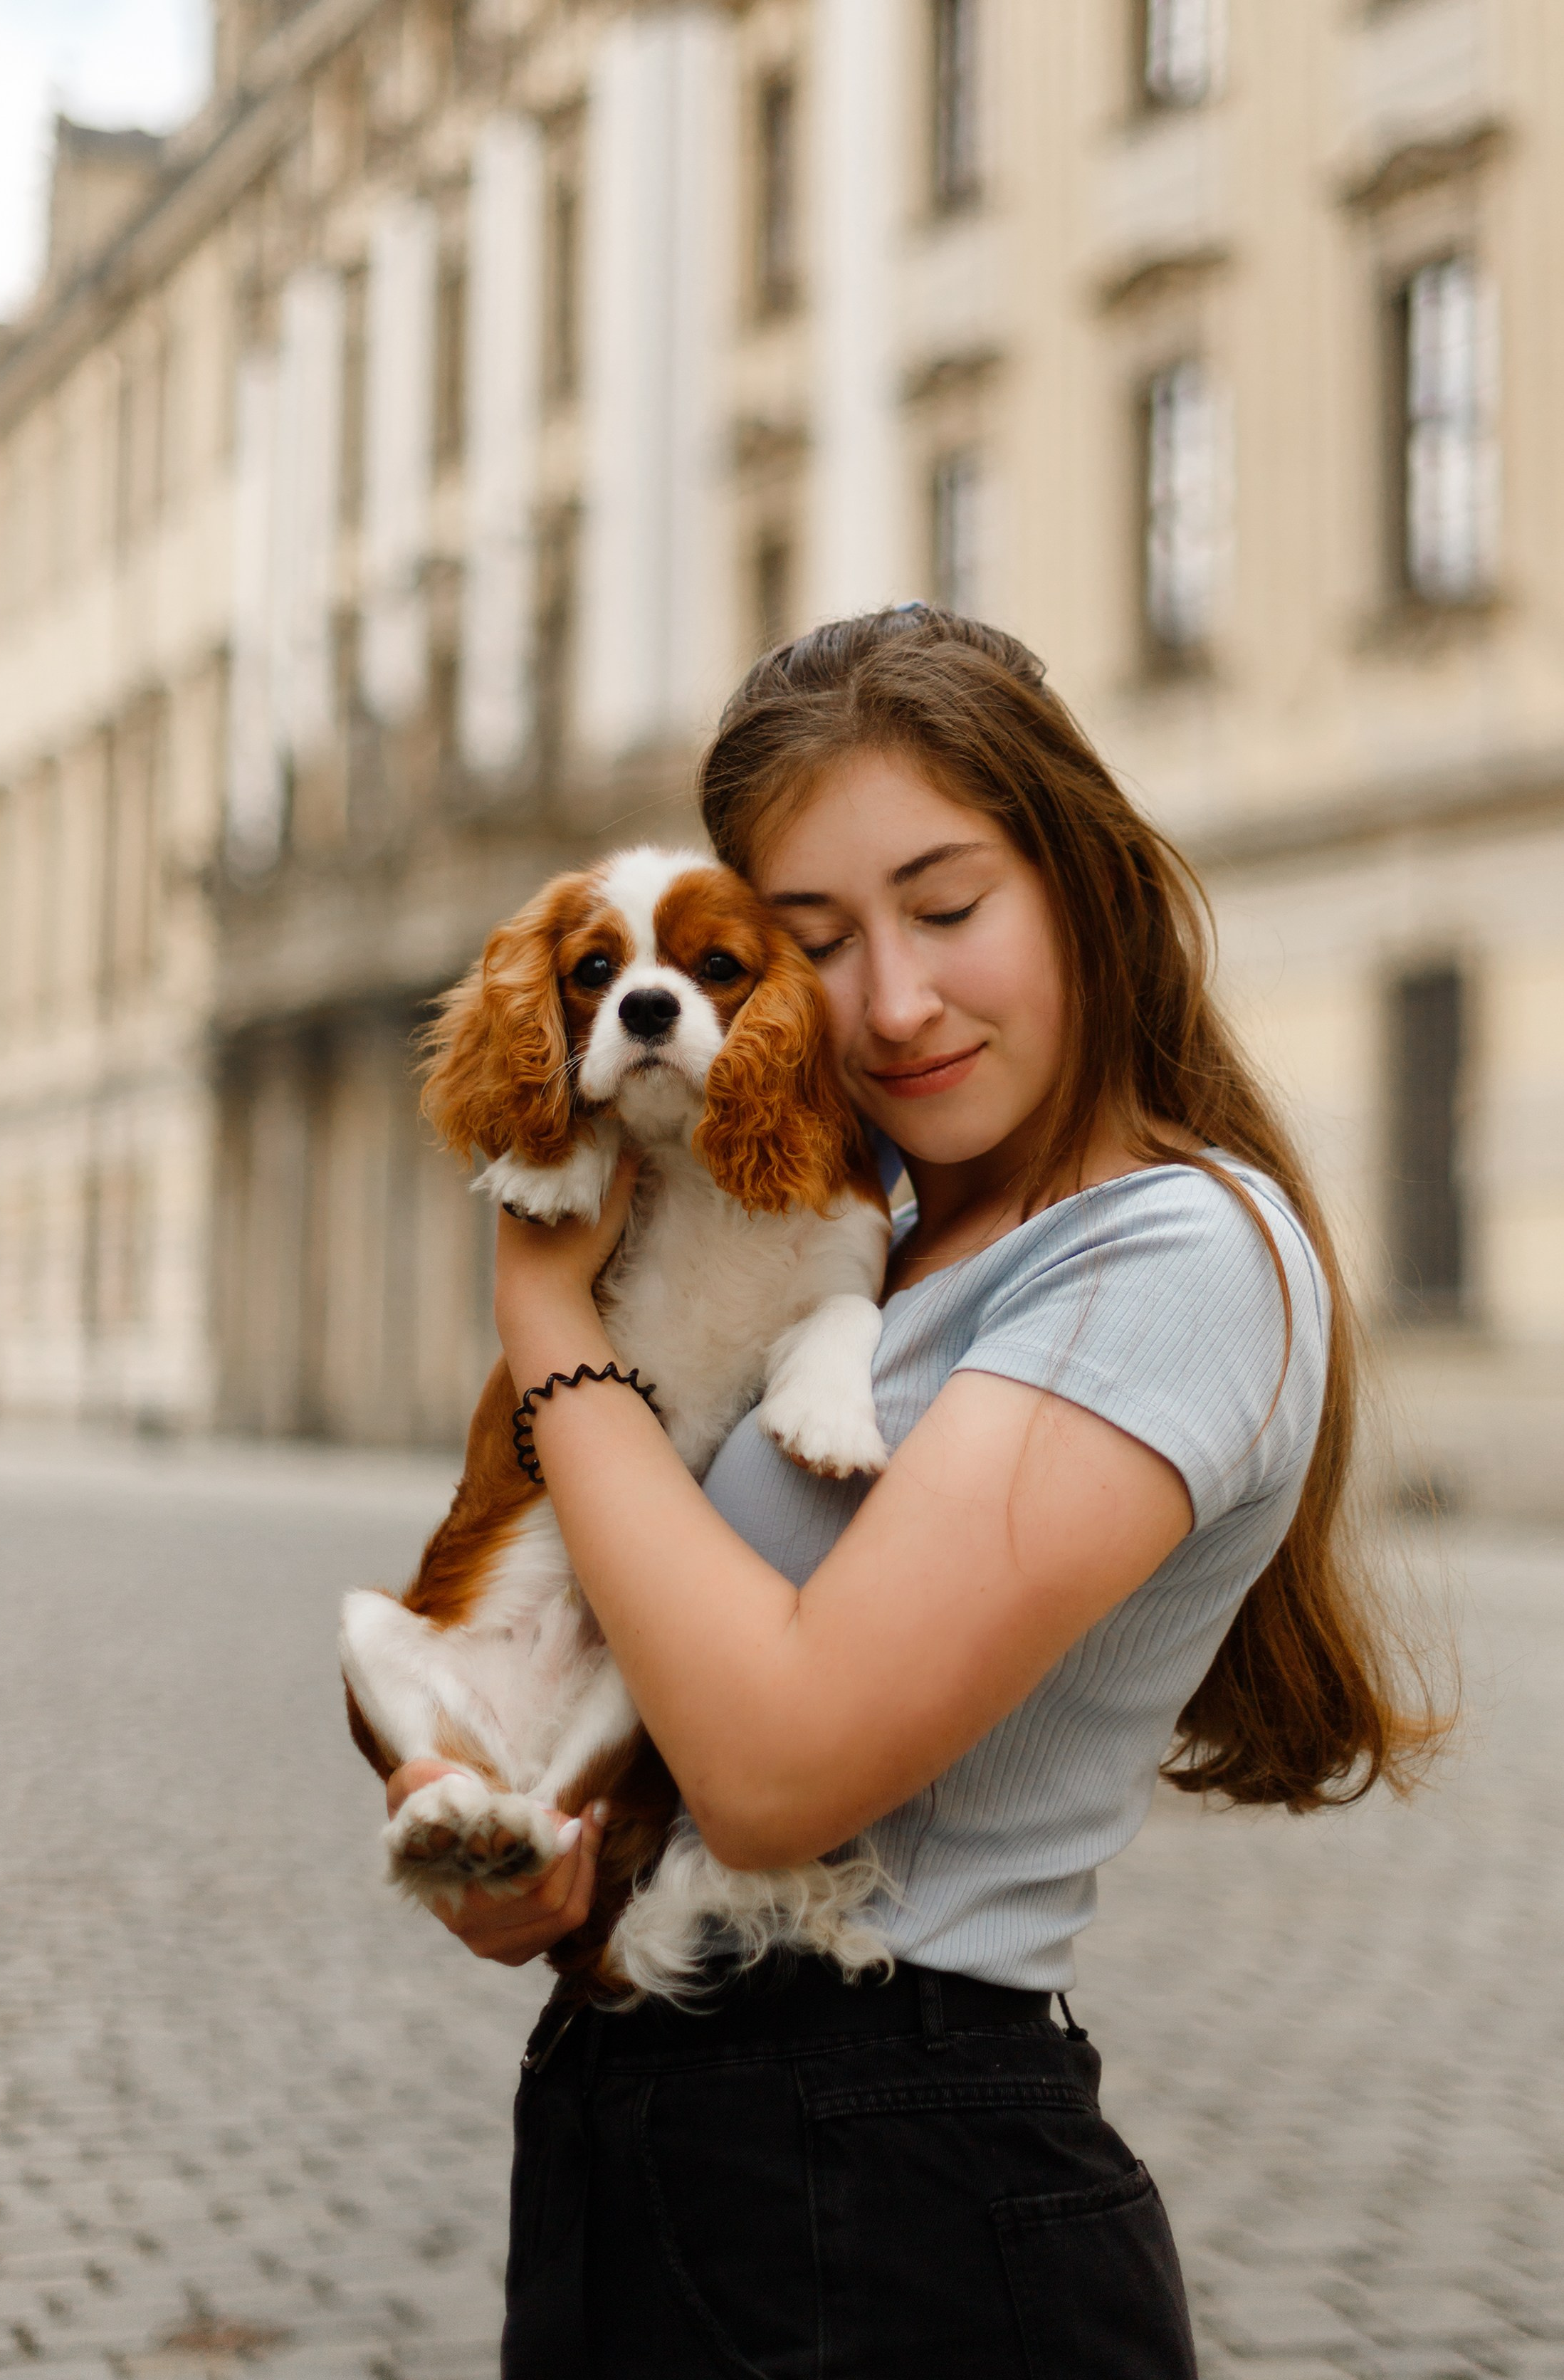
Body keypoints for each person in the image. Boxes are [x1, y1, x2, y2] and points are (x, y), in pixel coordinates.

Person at [387, 609, 1439, 2378]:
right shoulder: (869, 1234)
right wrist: (525, 1847)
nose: (892, 1002)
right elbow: (642, 1637)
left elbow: (783, 1770)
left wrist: (544, 1318)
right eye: (811, 945)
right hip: (652, 2139)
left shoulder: (1163, 1250)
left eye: (949, 908)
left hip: (895, 2179)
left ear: (1085, 883)